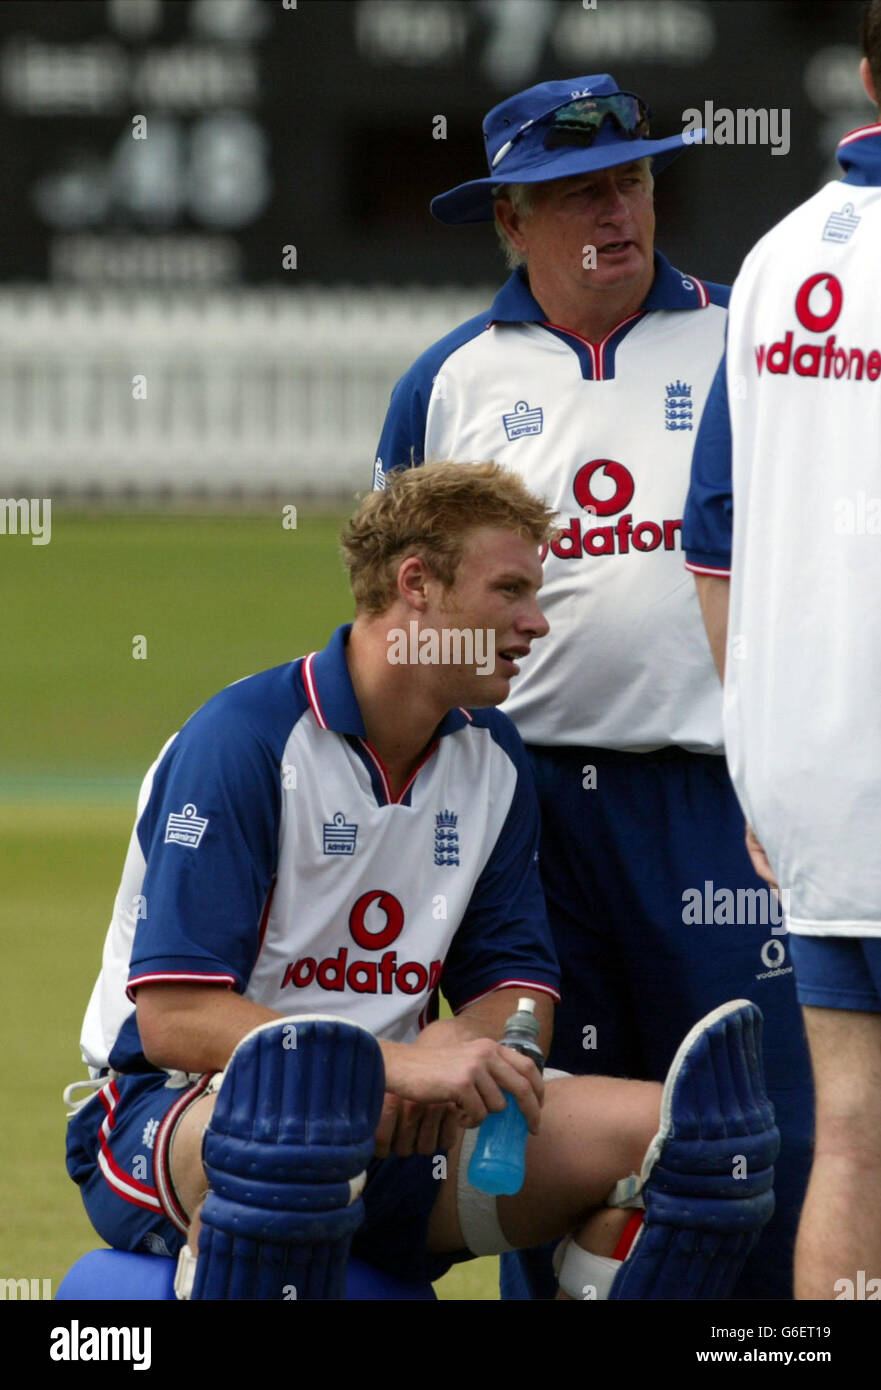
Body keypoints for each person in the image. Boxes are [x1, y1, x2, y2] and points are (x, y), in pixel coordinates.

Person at [64, 462, 778, 1301]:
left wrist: (471, 1047)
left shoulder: (492, 755)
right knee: (297, 1122)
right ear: (417, 586)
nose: (535, 624)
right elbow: (174, 1018)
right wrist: (388, 1066)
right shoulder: (243, 741)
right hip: (172, 1117)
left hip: (402, 1126)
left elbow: (516, 988)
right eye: (509, 590)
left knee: (696, 1142)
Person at [374, 75, 813, 1300]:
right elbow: (394, 610)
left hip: (721, 808)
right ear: (510, 221)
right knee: (543, 1134)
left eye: (626, 181)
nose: (610, 212)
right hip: (524, 818)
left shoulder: (746, 340)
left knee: (753, 1125)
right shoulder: (450, 381)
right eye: (571, 195)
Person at [683, 4, 881, 1301]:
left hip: (810, 776)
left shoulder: (769, 261)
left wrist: (759, 747)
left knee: (853, 1129)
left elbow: (712, 532)